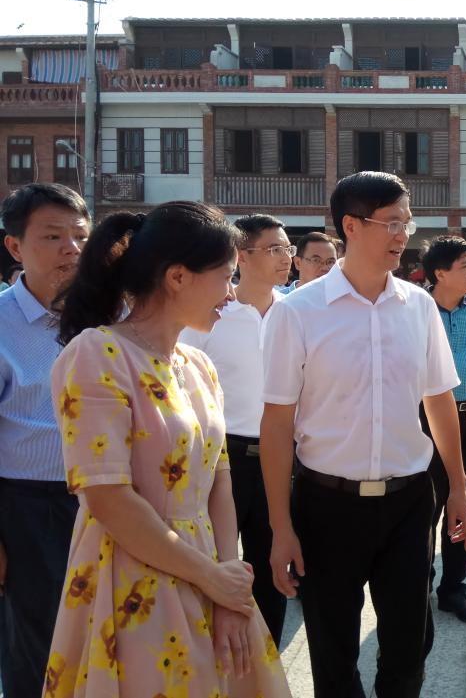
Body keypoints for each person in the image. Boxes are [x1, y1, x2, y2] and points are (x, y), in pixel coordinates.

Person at [49, 202, 290, 697]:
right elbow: (107, 497)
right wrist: (211, 578)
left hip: (208, 569)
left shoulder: (199, 365)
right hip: (132, 574)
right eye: (225, 277)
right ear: (177, 277)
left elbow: (219, 476)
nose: (230, 293)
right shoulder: (98, 354)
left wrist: (228, 582)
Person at [260, 172, 466, 698]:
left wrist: (459, 487)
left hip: (408, 502)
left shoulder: (418, 307)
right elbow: (277, 423)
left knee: (408, 648)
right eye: (391, 223)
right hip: (326, 506)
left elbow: (438, 399)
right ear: (351, 226)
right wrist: (281, 527)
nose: (403, 235)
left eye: (407, 222)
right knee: (333, 654)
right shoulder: (297, 313)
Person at [180, 213, 293, 647]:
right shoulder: (210, 315)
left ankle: (267, 660)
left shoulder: (295, 313)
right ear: (241, 256)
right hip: (222, 459)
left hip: (282, 456)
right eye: (274, 249)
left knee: (274, 567)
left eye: (287, 248)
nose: (286, 258)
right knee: (215, 562)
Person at [0, 183, 90, 698]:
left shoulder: (111, 316)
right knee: (39, 648)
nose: (71, 249)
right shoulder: (3, 324)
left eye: (80, 235)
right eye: (53, 236)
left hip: (106, 502)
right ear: (15, 246)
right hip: (28, 509)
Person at [420, 235, 466, 626]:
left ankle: (453, 587)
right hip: (426, 421)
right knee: (426, 504)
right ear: (440, 273)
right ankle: (420, 582)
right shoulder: (416, 311)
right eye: (464, 266)